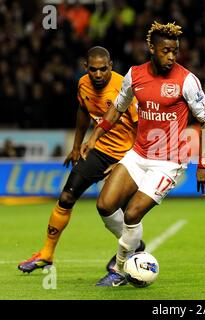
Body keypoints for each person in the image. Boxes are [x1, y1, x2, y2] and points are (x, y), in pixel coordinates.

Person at [80, 21, 205, 286]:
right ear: (151, 48)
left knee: (132, 214)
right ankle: (134, 245)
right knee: (105, 205)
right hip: (139, 154)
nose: (171, 57)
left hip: (169, 163)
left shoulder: (186, 80)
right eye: (166, 51)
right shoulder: (134, 75)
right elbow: (117, 108)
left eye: (175, 51)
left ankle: (118, 270)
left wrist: (204, 164)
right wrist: (94, 136)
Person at [18, 46, 144, 273]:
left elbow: (142, 126)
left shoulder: (124, 87)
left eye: (102, 69)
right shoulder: (83, 84)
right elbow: (83, 111)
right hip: (99, 149)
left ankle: (134, 245)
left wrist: (128, 160)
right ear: (85, 68)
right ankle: (46, 254)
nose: (97, 75)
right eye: (93, 70)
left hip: (127, 154)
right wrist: (76, 146)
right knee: (66, 196)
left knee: (117, 208)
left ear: (111, 66)